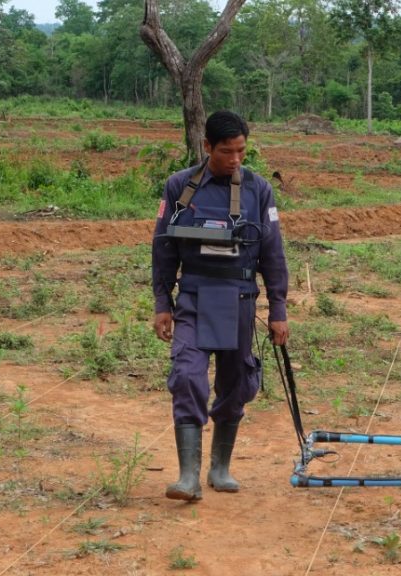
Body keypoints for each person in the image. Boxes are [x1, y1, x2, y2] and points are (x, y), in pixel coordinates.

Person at [152, 111, 289, 501]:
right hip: (193, 299)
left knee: (235, 384)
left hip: (240, 300)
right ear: (207, 146)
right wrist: (163, 303)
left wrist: (278, 310)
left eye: (241, 151)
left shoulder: (258, 190)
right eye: (226, 151)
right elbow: (162, 249)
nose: (235, 159)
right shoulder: (179, 186)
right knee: (187, 376)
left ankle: (220, 467)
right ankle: (188, 477)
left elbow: (273, 254)